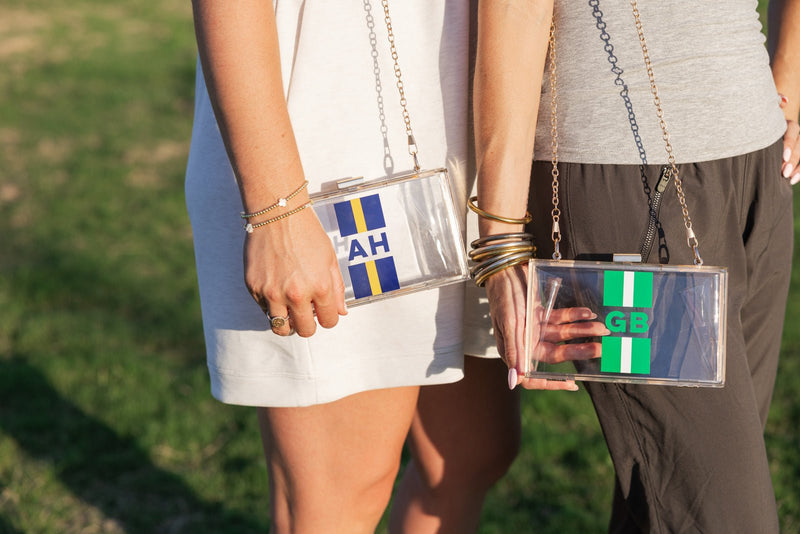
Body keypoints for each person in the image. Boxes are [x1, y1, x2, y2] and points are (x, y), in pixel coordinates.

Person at [183, 2, 545, 532]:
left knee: (471, 455)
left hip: (473, 129)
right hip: (327, 151)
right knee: (337, 495)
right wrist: (278, 209)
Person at [474, 0, 798, 532]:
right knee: (726, 516)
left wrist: (788, 79)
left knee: (667, 503)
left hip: (759, 167)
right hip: (628, 183)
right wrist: (501, 241)